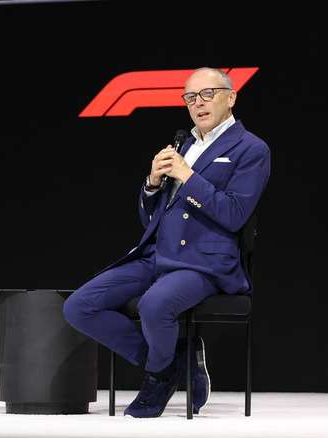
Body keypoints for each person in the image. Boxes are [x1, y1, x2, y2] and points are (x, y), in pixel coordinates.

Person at [63, 67, 270, 418]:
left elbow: (235, 213)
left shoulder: (251, 148)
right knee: (79, 306)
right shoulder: (184, 144)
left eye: (207, 94)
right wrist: (152, 184)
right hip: (157, 255)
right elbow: (152, 219)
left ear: (231, 96)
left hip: (203, 262)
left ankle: (157, 378)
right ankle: (175, 357)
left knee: (154, 305)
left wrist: (186, 176)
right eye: (190, 97)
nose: (198, 103)